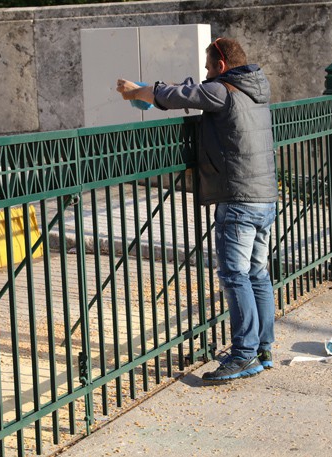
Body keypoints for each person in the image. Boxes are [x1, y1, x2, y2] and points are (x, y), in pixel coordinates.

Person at [117, 38, 278, 381]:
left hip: (239, 200)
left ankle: (244, 354)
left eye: (207, 67)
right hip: (265, 198)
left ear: (220, 66)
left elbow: (177, 95)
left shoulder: (222, 90)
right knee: (257, 274)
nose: (205, 74)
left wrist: (137, 92)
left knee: (235, 276)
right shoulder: (258, 90)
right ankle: (263, 349)